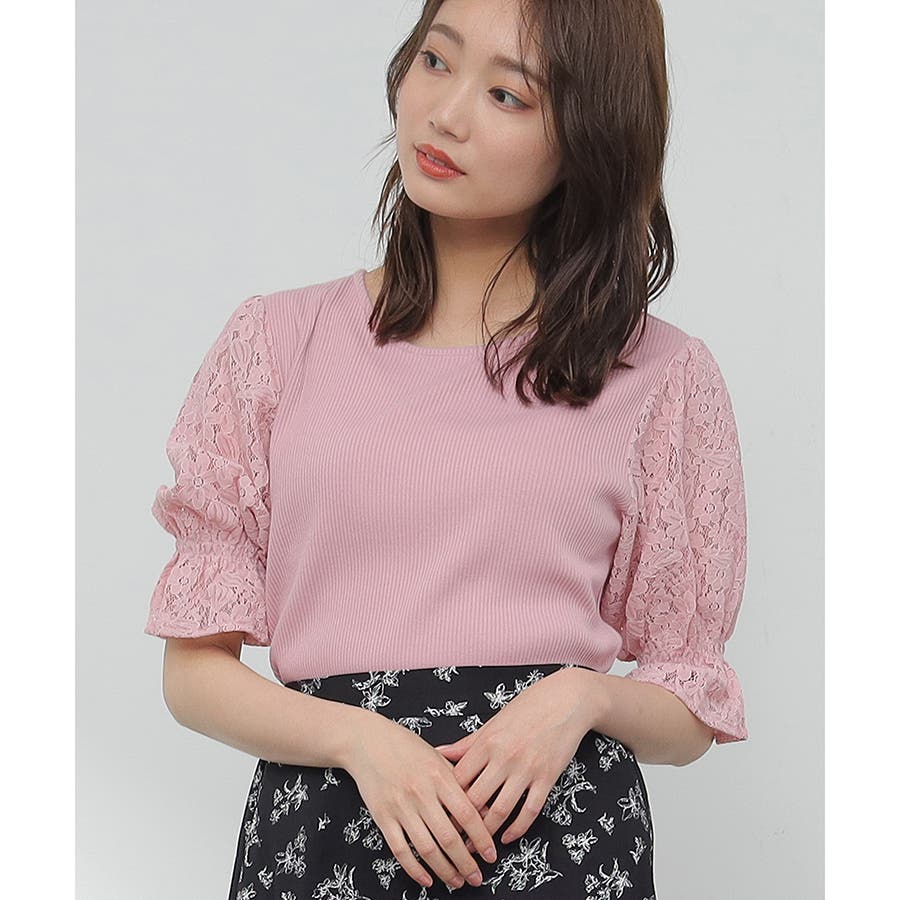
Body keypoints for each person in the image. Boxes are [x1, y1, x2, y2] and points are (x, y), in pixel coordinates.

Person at [144, 0, 749, 897]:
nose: (446, 113)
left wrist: (583, 697)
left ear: (589, 137)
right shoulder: (275, 344)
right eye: (435, 61)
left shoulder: (661, 376)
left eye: (508, 94)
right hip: (321, 836)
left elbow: (692, 704)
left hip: (563, 846)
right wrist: (361, 740)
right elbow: (193, 673)